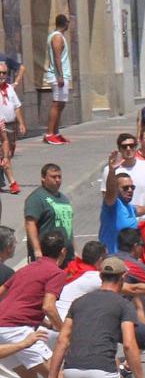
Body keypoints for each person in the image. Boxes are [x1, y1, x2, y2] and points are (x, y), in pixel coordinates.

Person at [0, 230, 70, 378]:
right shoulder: (56, 272)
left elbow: (4, 291)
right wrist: (63, 331)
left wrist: (45, 324)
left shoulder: (27, 268)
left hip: (4, 326)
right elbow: (48, 306)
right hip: (18, 329)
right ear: (63, 252)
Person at [99, 133, 145, 218]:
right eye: (124, 147)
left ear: (136, 147)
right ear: (119, 149)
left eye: (131, 146)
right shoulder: (110, 171)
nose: (128, 149)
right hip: (122, 221)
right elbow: (107, 198)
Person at [24, 163, 74, 262]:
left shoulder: (63, 198)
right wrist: (37, 250)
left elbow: (68, 227)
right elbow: (30, 224)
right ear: (43, 178)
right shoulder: (37, 198)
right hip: (48, 255)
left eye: (59, 177)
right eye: (53, 177)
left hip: (66, 255)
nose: (57, 180)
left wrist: (73, 249)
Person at [99, 153, 138, 255]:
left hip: (128, 261)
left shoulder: (129, 207)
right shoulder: (112, 205)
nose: (130, 190)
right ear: (117, 189)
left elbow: (139, 209)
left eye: (132, 187)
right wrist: (112, 171)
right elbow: (110, 192)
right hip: (112, 261)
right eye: (125, 188)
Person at [43, 13, 72, 145]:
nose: (68, 25)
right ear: (64, 23)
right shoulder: (57, 37)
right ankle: (49, 133)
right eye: (68, 22)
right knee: (57, 103)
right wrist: (59, 75)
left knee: (61, 104)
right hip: (58, 75)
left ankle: (56, 132)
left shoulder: (58, 36)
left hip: (62, 74)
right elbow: (57, 57)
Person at [0, 62, 24, 192]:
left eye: (4, 73)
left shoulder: (9, 88)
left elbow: (17, 106)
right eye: (0, 73)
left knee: (9, 152)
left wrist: (21, 123)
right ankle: (13, 183)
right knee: (5, 155)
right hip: (0, 126)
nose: (2, 75)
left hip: (10, 125)